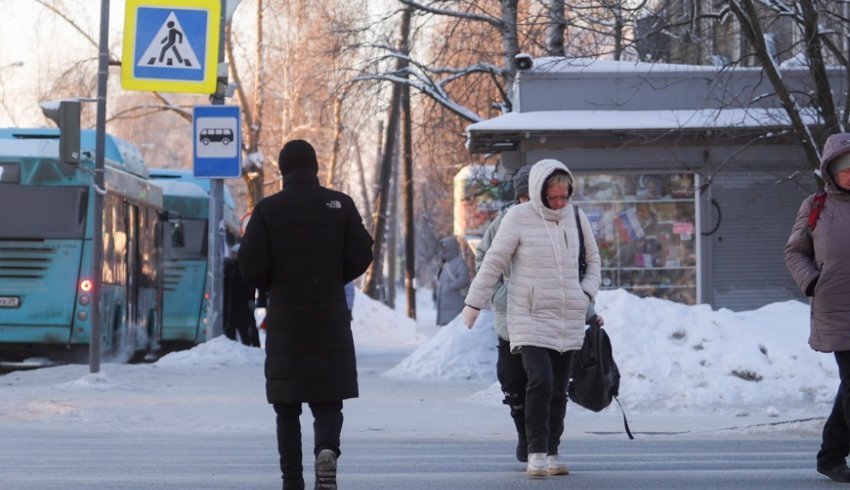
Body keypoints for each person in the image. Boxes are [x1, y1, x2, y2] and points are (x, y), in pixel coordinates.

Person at [238, 139, 373, 490]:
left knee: (287, 407)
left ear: (282, 171)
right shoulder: (339, 204)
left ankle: (292, 480)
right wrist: (331, 276)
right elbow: (363, 252)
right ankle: (326, 450)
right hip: (330, 316)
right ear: (314, 167)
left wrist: (275, 284)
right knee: (328, 400)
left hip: (286, 321)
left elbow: (250, 264)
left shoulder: (267, 211)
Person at [462, 159, 601, 478]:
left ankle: (552, 450)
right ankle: (535, 450)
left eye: (564, 196)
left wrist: (586, 297)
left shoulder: (576, 218)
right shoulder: (516, 217)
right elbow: (492, 260)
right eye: (553, 197)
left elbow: (592, 263)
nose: (560, 202)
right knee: (539, 380)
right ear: (537, 193)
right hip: (527, 315)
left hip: (566, 318)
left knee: (558, 390)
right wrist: (474, 302)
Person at [785, 132, 850, 483]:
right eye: (845, 168)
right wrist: (813, 282)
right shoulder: (816, 206)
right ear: (831, 171)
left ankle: (830, 455)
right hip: (836, 308)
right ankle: (831, 455)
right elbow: (795, 251)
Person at [223, 244, 260, 347]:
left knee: (245, 329)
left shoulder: (242, 268)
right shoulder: (231, 266)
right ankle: (239, 348)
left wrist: (251, 303)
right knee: (235, 329)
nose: (232, 255)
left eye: (234, 253)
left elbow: (250, 288)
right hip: (235, 305)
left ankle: (249, 347)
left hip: (241, 305)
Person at [434, 235, 470, 326]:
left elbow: (464, 278)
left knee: (454, 328)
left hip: (454, 303)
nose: (444, 250)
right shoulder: (446, 264)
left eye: (446, 248)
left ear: (452, 248)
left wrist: (450, 287)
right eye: (443, 248)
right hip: (447, 304)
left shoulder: (459, 262)